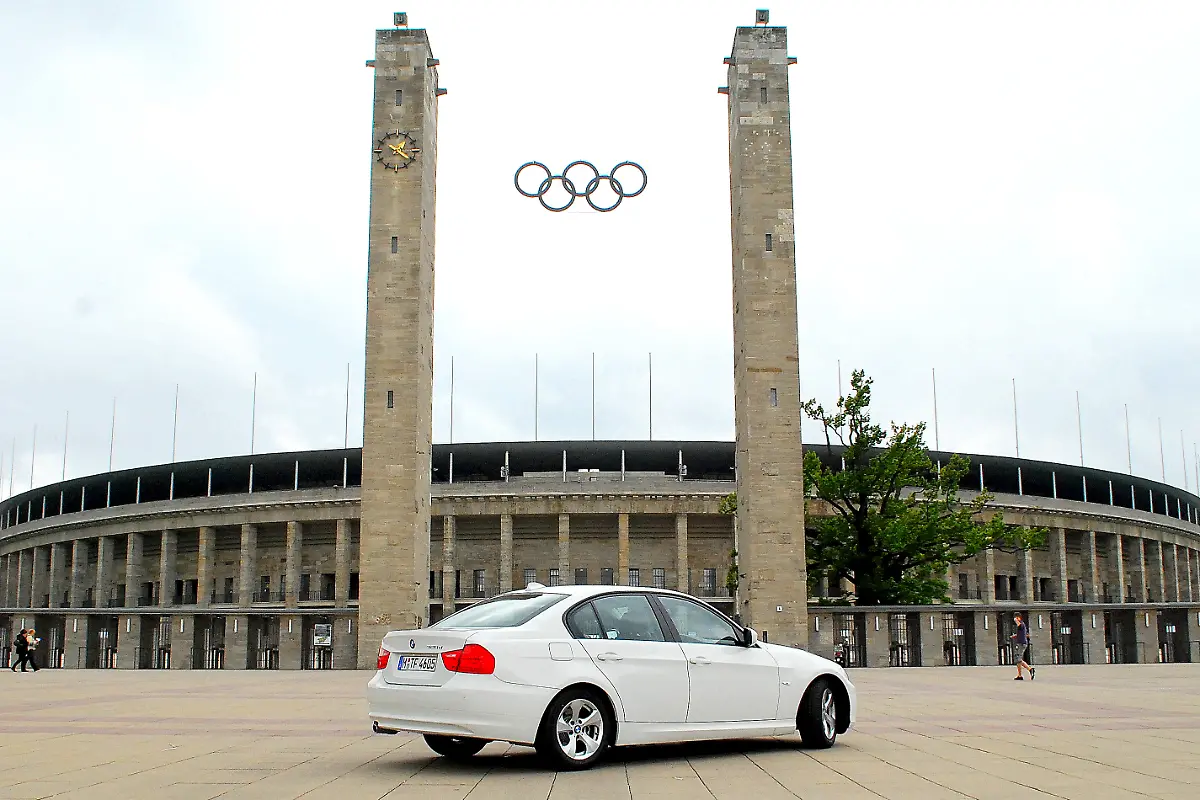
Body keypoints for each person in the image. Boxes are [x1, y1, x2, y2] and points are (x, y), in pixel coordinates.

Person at [1010, 613, 1035, 681]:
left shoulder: (1021, 624)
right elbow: (1021, 633)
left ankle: (1030, 669)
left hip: (1021, 644)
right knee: (1018, 660)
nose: (1015, 620)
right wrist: (1015, 636)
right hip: (1021, 643)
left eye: (1016, 618)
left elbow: (1019, 625)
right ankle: (1019, 675)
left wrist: (1016, 620)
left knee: (1018, 659)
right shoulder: (1021, 626)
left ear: (1019, 618)